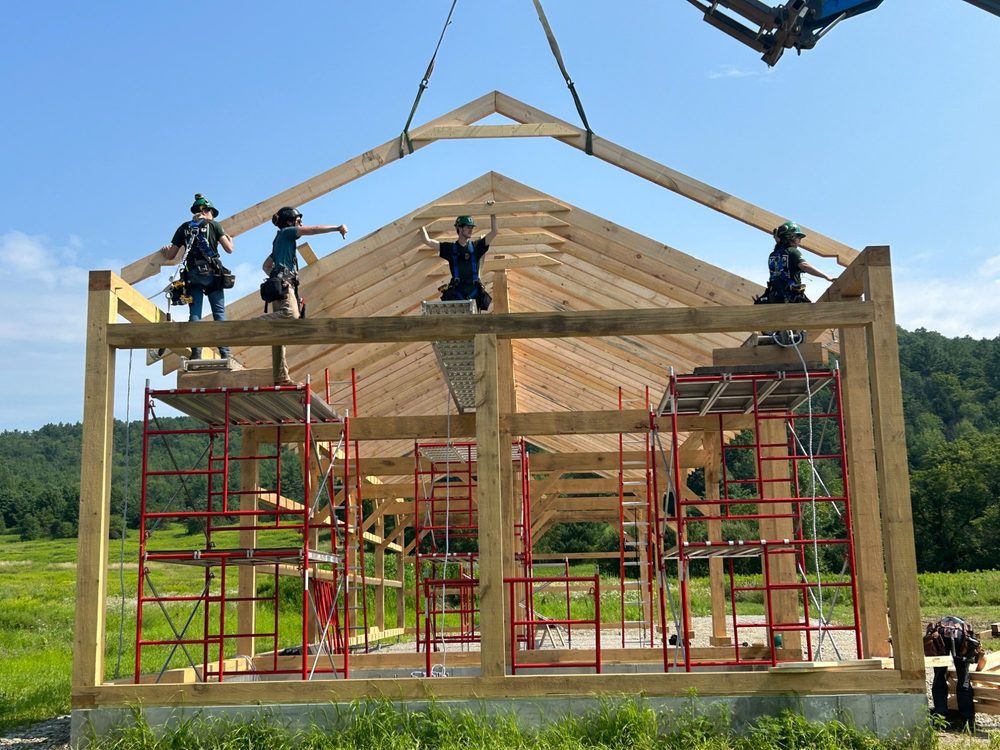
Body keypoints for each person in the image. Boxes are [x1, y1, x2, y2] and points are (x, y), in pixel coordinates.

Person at [258, 206, 347, 386]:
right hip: (284, 286)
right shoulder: (287, 232)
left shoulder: (280, 241)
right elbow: (313, 230)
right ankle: (253, 323)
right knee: (291, 315)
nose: (301, 223)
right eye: (298, 219)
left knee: (279, 334)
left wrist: (275, 277)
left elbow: (266, 266)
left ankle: (281, 377)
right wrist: (337, 228)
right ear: (290, 221)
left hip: (279, 286)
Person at [160, 194, 235, 360]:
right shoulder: (214, 225)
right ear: (207, 211)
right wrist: (230, 240)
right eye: (212, 213)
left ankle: (196, 353)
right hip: (213, 275)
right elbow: (229, 249)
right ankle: (225, 352)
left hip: (193, 276)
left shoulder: (184, 227)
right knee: (219, 314)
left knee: (195, 315)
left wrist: (165, 252)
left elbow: (171, 255)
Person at [420, 213, 498, 311]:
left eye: (472, 227)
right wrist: (420, 225)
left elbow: (494, 232)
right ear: (460, 228)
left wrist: (492, 213)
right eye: (468, 227)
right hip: (457, 296)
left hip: (473, 295)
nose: (471, 230)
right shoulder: (450, 249)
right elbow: (427, 241)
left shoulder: (476, 247)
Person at [924, 615, 986, 732]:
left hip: (940, 634)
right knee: (963, 677)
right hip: (960, 635)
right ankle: (967, 720)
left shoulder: (940, 625)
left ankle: (940, 717)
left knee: (939, 675)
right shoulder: (964, 627)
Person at [755, 221, 836, 305]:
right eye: (799, 238)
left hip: (774, 298)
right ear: (791, 237)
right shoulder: (792, 251)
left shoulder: (772, 255)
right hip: (791, 298)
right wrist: (827, 277)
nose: (799, 241)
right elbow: (804, 266)